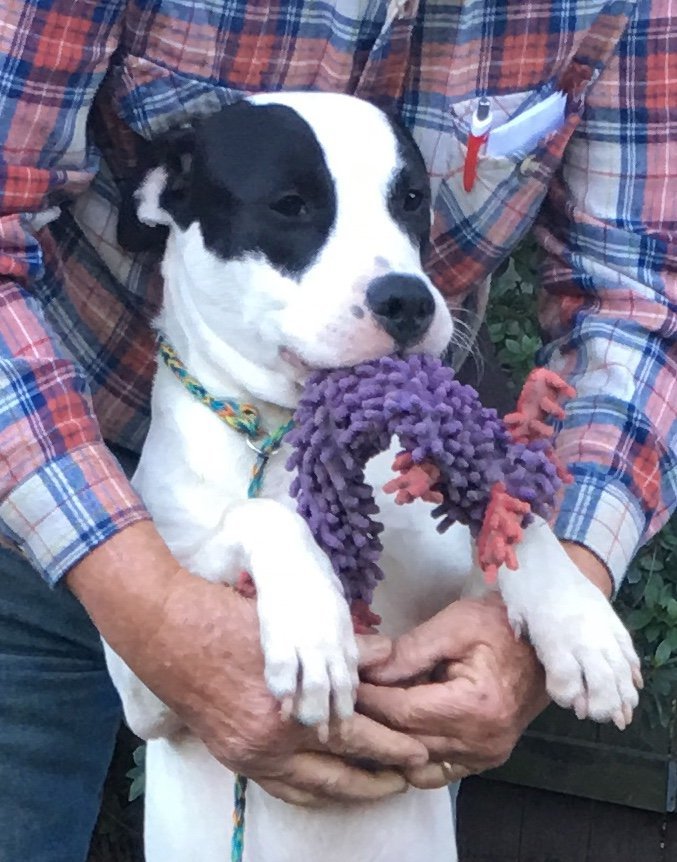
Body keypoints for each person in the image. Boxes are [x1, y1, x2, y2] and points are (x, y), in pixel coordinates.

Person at [0, 0, 674, 859]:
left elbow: (635, 298)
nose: (394, 274)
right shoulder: (183, 478)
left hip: (385, 450)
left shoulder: (419, 474)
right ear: (162, 207)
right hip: (49, 447)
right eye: (292, 207)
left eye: (403, 207)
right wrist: (170, 599)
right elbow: (151, 698)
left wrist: (558, 571)